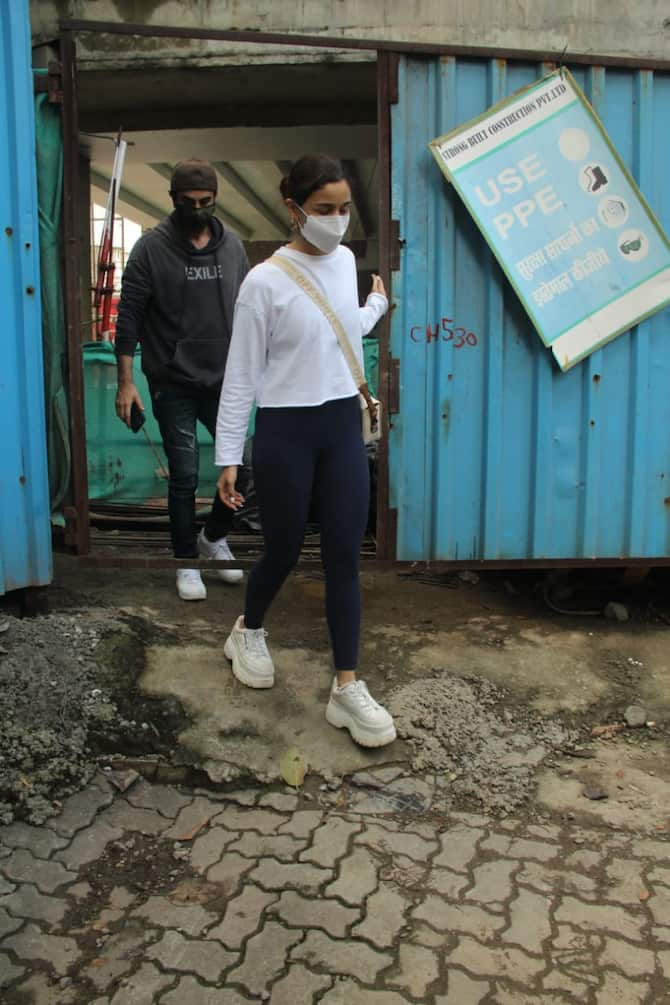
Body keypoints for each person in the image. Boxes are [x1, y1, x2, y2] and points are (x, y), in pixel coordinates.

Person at [214, 153, 396, 748]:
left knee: (345, 554)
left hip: (343, 424)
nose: (337, 220)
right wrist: (228, 456)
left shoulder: (345, 263)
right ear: (294, 210)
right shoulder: (262, 282)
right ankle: (248, 629)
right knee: (286, 550)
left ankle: (346, 686)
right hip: (285, 432)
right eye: (324, 209)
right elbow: (241, 374)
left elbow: (340, 329)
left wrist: (375, 307)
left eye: (344, 208)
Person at [114, 158, 248, 601]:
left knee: (244, 464)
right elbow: (129, 316)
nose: (197, 210)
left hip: (222, 380)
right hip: (171, 381)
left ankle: (213, 538)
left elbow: (249, 312)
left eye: (206, 202)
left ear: (215, 201)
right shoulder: (151, 248)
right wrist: (125, 382)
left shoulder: (233, 249)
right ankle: (185, 561)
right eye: (188, 202)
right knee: (185, 474)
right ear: (173, 201)